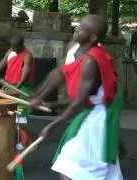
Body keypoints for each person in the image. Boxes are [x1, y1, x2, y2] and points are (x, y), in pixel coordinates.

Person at [28, 15, 123, 179]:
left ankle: (115, 142)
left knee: (71, 169)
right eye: (78, 25)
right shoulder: (74, 47)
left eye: (81, 28)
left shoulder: (91, 61)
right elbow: (59, 72)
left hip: (96, 118)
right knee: (70, 167)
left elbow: (78, 102)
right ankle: (116, 143)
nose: (76, 29)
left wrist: (52, 125)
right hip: (87, 111)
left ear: (92, 37)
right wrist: (39, 95)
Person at [0, 34, 35, 150]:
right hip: (8, 85)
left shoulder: (27, 56)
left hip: (22, 87)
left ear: (21, 45)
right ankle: (12, 138)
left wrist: (15, 90)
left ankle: (29, 141)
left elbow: (24, 76)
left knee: (20, 117)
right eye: (12, 46)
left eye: (15, 47)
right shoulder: (10, 51)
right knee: (8, 114)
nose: (13, 49)